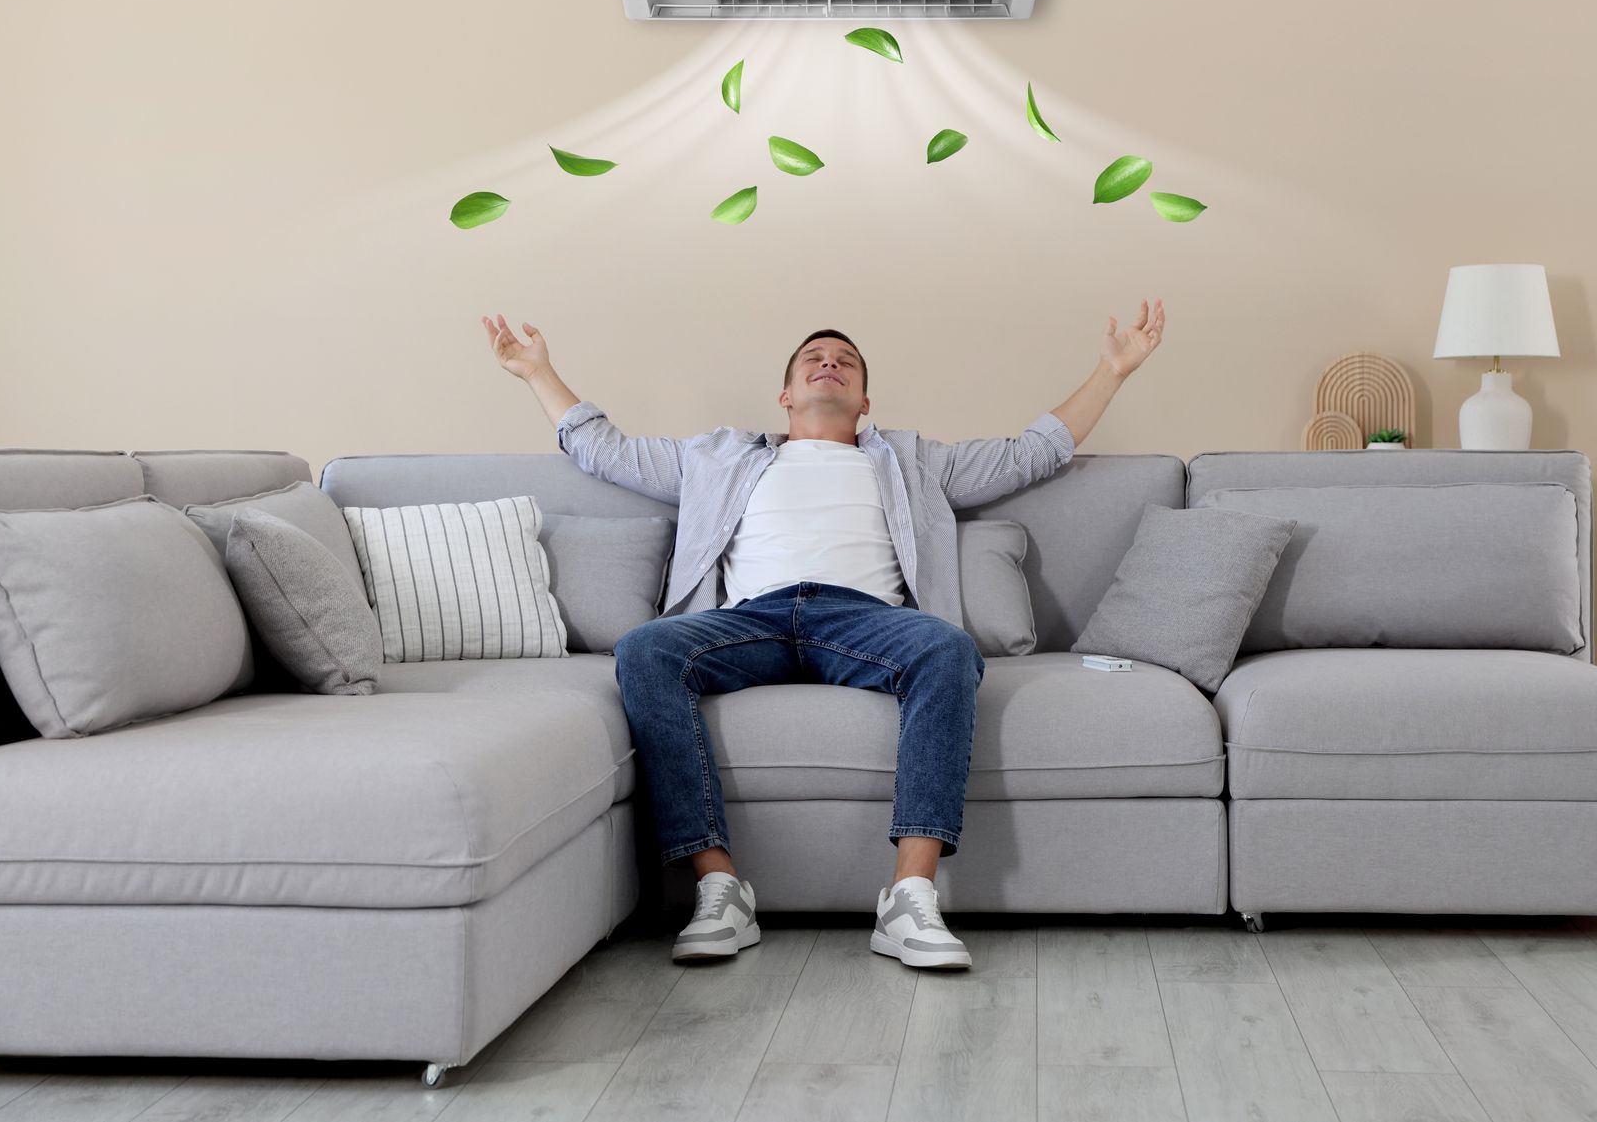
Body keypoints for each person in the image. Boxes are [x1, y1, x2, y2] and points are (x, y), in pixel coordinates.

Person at [481, 303, 1165, 968]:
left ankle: (910, 897)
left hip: (864, 621)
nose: (828, 363)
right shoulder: (717, 456)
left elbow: (1032, 454)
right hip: (750, 619)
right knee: (643, 648)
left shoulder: (910, 459)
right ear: (785, 394)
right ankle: (720, 888)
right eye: (814, 357)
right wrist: (537, 371)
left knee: (947, 648)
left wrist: (1113, 371)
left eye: (846, 362)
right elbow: (605, 450)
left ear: (866, 400)